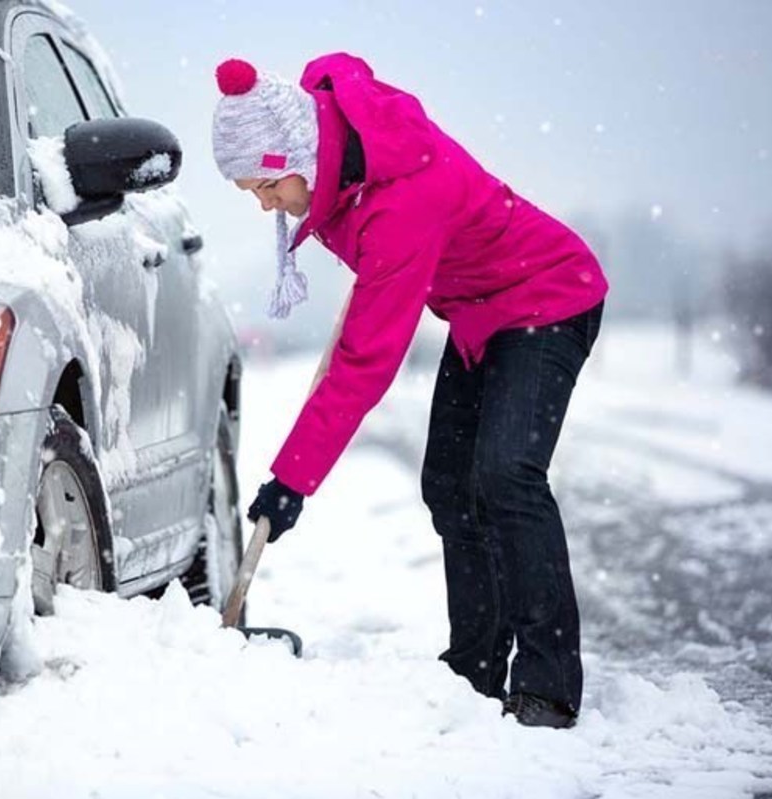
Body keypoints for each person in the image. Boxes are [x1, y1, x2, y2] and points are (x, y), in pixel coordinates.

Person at [210, 54, 608, 729]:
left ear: (297, 160)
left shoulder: (400, 203)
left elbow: (366, 361)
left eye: (265, 188)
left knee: (506, 473)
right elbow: (336, 69)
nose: (264, 205)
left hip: (548, 295)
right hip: (481, 312)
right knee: (450, 486)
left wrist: (293, 480)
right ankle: (476, 668)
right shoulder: (332, 146)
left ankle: (547, 680)